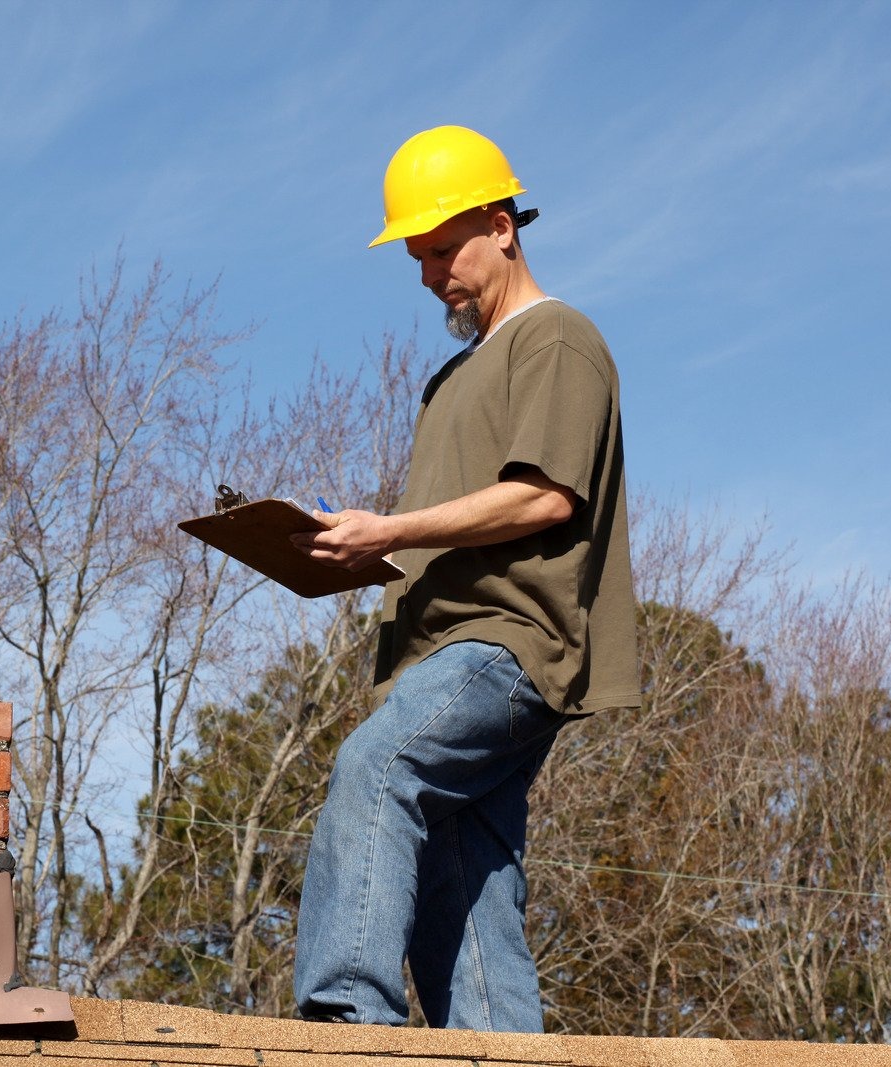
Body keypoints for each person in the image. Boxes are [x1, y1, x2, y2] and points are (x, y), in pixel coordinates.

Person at [290, 125, 639, 1031]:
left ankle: (345, 1021)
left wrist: (394, 528)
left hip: (508, 644)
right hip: (440, 649)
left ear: (502, 225)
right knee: (464, 874)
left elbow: (544, 498)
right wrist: (356, 552)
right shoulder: (451, 379)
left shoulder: (556, 337)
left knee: (377, 765)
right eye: (417, 257)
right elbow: (454, 529)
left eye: (444, 249)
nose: (429, 275)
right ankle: (495, 1045)